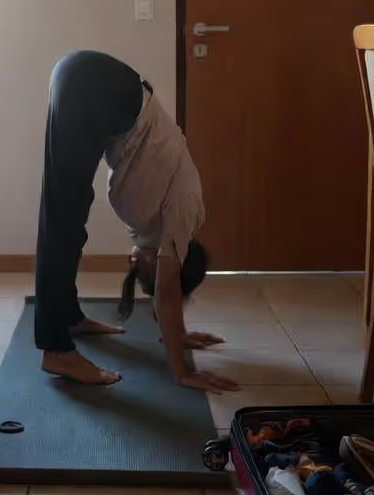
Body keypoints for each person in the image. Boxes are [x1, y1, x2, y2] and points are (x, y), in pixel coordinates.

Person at [33, 50, 241, 392]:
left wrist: (179, 333)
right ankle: (56, 350)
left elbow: (166, 288)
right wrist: (181, 373)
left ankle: (69, 318)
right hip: (98, 85)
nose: (134, 263)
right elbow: (167, 289)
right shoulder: (185, 209)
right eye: (143, 272)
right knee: (61, 222)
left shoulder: (152, 221)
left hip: (93, 84)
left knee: (70, 219)